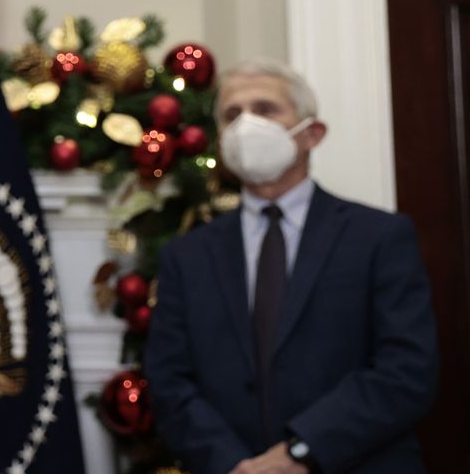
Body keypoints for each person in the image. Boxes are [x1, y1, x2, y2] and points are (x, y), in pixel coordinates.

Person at [145, 58, 437, 474]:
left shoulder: (379, 237)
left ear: (311, 134)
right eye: (232, 115)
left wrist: (300, 453)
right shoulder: (186, 255)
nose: (247, 125)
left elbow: (406, 370)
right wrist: (235, 465)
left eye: (265, 109)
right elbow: (170, 381)